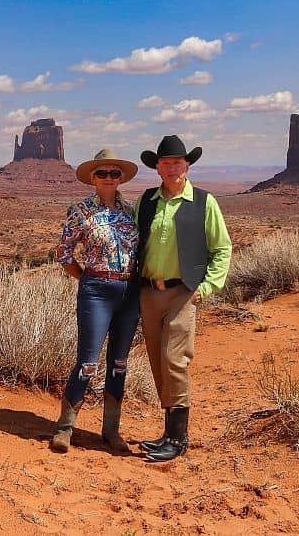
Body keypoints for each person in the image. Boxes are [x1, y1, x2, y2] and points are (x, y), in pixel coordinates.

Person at [135, 135, 232, 462]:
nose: (172, 167)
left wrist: (205, 288)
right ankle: (167, 433)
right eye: (166, 163)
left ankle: (178, 439)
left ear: (187, 165)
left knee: (174, 359)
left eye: (177, 162)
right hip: (149, 292)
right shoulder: (146, 201)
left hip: (183, 292)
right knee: (157, 360)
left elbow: (222, 248)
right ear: (157, 168)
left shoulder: (204, 202)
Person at [51, 148, 141, 454]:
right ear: (92, 177)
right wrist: (87, 280)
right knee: (88, 362)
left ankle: (111, 431)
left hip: (129, 293)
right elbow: (64, 253)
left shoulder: (131, 212)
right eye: (102, 173)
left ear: (121, 178)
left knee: (119, 364)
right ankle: (65, 428)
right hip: (97, 291)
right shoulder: (80, 211)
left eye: (114, 173)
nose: (108, 178)